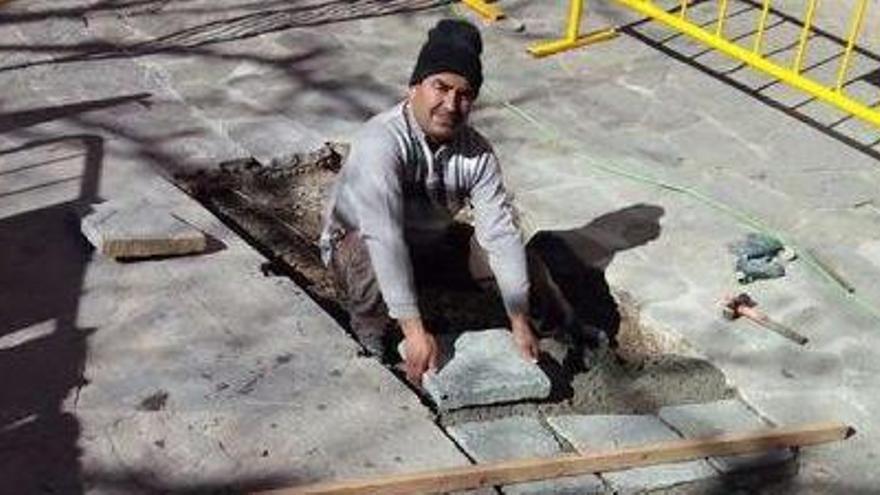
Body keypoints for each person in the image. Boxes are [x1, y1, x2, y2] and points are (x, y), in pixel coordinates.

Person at [320, 18, 558, 386]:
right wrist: (414, 331)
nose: (451, 104)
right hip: (357, 251)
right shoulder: (381, 141)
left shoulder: (476, 154)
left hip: (427, 247)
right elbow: (383, 235)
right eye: (440, 87)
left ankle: (547, 337)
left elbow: (499, 233)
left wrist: (518, 317)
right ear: (413, 87)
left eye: (464, 94)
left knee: (521, 256)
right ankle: (371, 343)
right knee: (368, 248)